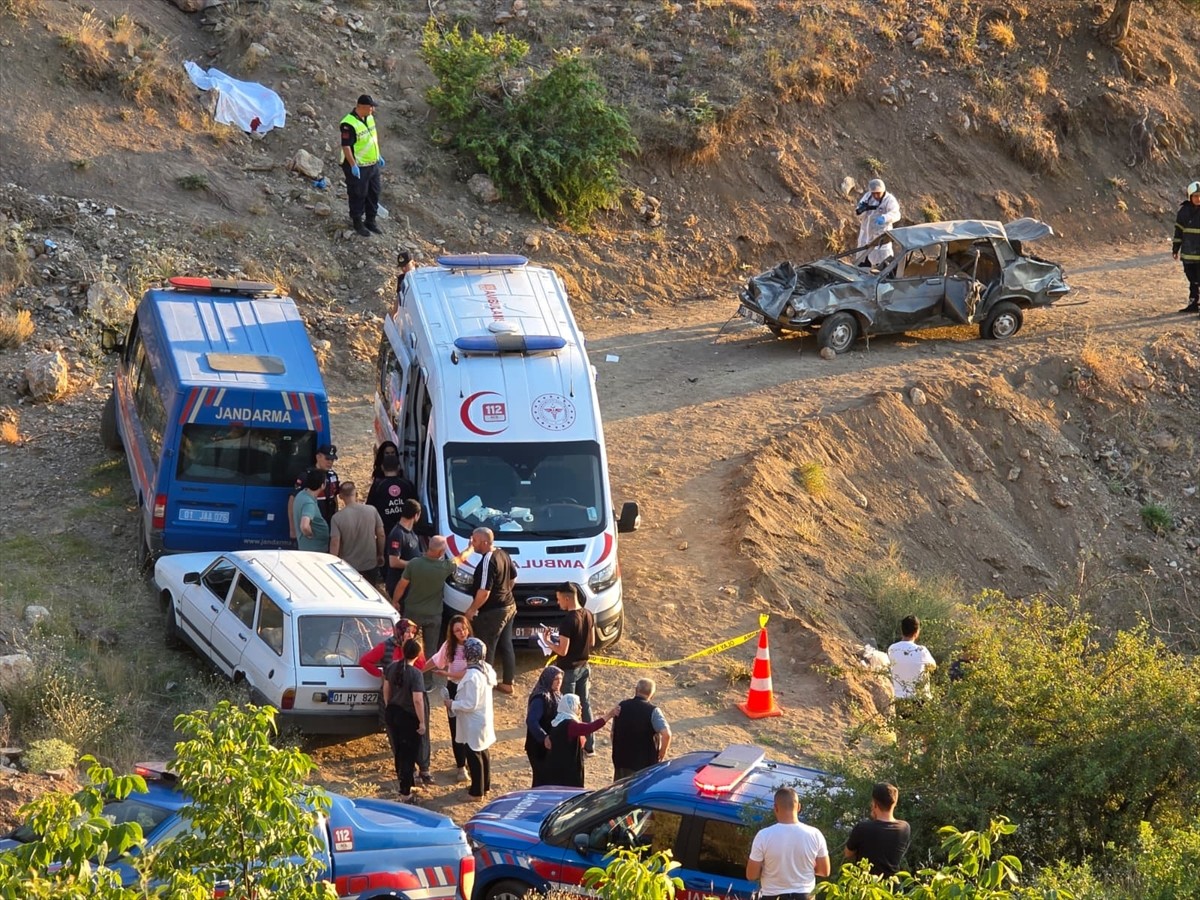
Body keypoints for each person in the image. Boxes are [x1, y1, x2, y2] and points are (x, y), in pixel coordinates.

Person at [360, 619, 433, 785]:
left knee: (421, 734)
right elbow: (365, 661)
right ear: (399, 632)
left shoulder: (415, 647)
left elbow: (420, 666)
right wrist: (381, 675)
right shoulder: (386, 647)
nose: (410, 635)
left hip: (414, 694)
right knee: (398, 737)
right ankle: (409, 771)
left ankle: (424, 768)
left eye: (412, 632)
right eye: (406, 631)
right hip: (396, 699)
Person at [395, 536, 473, 666]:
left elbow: (401, 585)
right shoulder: (444, 567)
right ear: (441, 552)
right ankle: (428, 679)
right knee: (431, 649)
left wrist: (395, 601)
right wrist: (471, 547)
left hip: (412, 612)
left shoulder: (414, 563)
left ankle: (404, 670)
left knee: (407, 644)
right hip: (434, 614)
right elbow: (461, 558)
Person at [746, 787, 831, 900]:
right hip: (805, 895)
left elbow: (751, 875)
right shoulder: (815, 834)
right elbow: (825, 871)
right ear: (799, 807)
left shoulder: (763, 836)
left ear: (775, 808)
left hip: (772, 896)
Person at [540, 582, 596, 749]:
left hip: (568, 670)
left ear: (567, 598)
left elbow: (562, 651)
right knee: (584, 704)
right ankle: (589, 744)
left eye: (559, 599)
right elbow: (592, 641)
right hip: (584, 667)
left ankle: (570, 744)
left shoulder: (567, 621)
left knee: (567, 709)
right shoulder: (588, 614)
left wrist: (548, 642)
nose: (558, 603)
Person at [464, 527, 517, 694]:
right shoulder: (503, 553)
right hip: (509, 605)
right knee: (506, 644)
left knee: (486, 646)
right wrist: (505, 592)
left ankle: (484, 684)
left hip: (494, 610)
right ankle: (508, 682)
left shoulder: (488, 559)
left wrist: (472, 610)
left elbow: (484, 592)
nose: (472, 544)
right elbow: (513, 577)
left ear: (485, 542)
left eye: (475, 541)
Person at [446, 637, 497, 799]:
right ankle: (485, 786)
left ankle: (476, 792)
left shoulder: (473, 675)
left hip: (473, 721)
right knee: (483, 751)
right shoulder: (486, 668)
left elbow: (470, 704)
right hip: (483, 718)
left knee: (473, 755)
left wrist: (452, 703)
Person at [429, 614, 474, 783]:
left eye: (463, 628)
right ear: (452, 633)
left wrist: (446, 673)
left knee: (470, 726)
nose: (462, 632)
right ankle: (461, 766)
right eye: (457, 630)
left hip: (470, 688)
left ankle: (471, 761)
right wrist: (416, 670)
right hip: (453, 688)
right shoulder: (449, 646)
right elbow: (436, 660)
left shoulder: (474, 646)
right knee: (456, 728)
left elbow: (470, 671)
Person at [543, 693, 620, 789]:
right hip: (567, 771)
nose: (581, 707)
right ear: (571, 706)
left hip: (557, 767)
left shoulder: (559, 720)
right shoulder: (570, 725)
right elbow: (590, 727)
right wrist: (610, 715)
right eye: (578, 705)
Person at [383, 638, 426, 801]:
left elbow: (386, 688)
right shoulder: (415, 674)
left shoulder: (392, 666)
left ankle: (404, 783)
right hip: (408, 716)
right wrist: (422, 722)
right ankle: (405, 793)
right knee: (408, 755)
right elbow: (417, 700)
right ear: (418, 654)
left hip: (393, 712)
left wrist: (389, 705)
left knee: (399, 752)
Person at [844, 782, 911, 878]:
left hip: (866, 886)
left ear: (874, 804)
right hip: (891, 887)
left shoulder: (863, 828)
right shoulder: (904, 828)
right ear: (894, 803)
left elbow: (848, 853)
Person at [340, 94, 384, 237]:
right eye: (371, 107)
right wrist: (353, 165)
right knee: (358, 194)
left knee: (374, 193)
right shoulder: (348, 124)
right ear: (363, 107)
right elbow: (346, 147)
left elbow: (372, 139)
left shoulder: (369, 118)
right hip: (358, 165)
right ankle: (357, 222)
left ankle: (370, 221)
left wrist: (378, 156)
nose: (373, 109)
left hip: (372, 164)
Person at [611, 678, 672, 780]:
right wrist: (661, 753)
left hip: (621, 759)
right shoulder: (653, 711)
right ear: (652, 695)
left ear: (636, 690)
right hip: (644, 764)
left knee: (620, 791)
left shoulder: (621, 706)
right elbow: (667, 734)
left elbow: (613, 733)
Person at [329, 481, 385, 583]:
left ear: (340, 497)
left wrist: (333, 562)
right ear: (356, 494)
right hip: (370, 563)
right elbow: (381, 534)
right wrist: (380, 554)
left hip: (348, 566)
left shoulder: (337, 518)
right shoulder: (372, 510)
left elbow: (335, 542)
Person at [288, 444, 339, 542]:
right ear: (318, 457)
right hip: (312, 524)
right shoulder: (307, 476)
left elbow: (334, 498)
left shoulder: (333, 476)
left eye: (332, 460)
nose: (330, 462)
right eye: (327, 459)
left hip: (328, 523)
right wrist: (293, 528)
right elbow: (292, 500)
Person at [367, 442, 416, 536]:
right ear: (398, 467)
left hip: (387, 533)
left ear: (382, 467)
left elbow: (370, 508)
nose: (390, 455)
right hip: (406, 533)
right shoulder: (407, 484)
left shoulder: (378, 486)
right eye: (387, 453)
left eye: (392, 453)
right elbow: (416, 507)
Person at [525, 665, 563, 787]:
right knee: (541, 779)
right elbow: (532, 721)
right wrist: (544, 737)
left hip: (551, 745)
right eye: (556, 679)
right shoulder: (540, 698)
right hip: (538, 746)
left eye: (560, 679)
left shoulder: (557, 694)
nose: (559, 682)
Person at [887, 615, 937, 704]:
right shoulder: (922, 650)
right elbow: (933, 667)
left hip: (897, 699)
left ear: (902, 630)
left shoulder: (892, 649)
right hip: (919, 699)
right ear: (917, 632)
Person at [854, 178, 901, 268]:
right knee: (862, 263)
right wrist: (861, 210)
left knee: (883, 265)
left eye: (878, 193)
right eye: (873, 193)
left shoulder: (889, 200)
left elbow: (896, 214)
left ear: (883, 191)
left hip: (880, 237)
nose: (875, 196)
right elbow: (859, 212)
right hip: (866, 236)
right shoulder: (868, 197)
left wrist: (885, 218)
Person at [385, 499, 423, 608]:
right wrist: (415, 564)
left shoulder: (411, 532)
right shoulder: (397, 534)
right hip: (398, 585)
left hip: (409, 585)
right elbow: (394, 562)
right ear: (416, 515)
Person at [1172, 180, 1200, 314]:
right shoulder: (1183, 212)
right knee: (1192, 279)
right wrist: (1175, 249)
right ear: (1190, 196)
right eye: (1195, 196)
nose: (1198, 199)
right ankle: (1193, 304)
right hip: (1188, 253)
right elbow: (1178, 232)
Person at [292, 468, 331, 552]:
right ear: (322, 485)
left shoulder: (302, 494)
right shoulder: (309, 503)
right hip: (314, 549)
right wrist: (310, 535)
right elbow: (304, 526)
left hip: (308, 548)